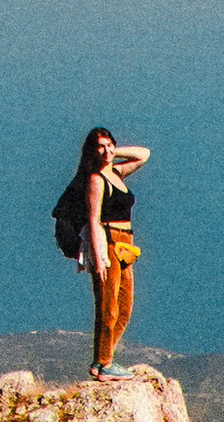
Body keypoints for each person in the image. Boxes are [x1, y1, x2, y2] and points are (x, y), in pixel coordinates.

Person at [66, 127, 151, 379]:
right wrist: (99, 256)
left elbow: (143, 155)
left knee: (125, 307)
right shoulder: (95, 180)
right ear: (91, 151)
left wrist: (113, 154)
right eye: (100, 146)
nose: (106, 150)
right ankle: (103, 363)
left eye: (109, 145)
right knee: (108, 306)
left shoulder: (116, 173)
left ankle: (104, 359)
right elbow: (93, 220)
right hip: (109, 242)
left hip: (127, 244)